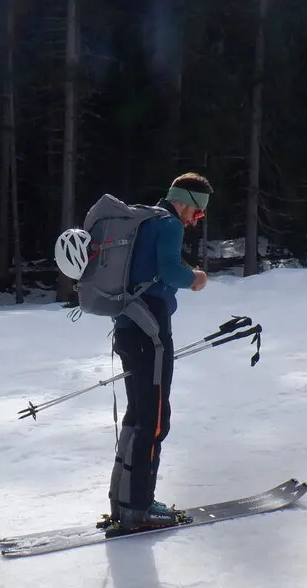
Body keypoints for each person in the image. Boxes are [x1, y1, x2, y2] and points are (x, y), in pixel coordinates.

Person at [107, 172, 211, 532]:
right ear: (184, 201)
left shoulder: (145, 220)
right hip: (150, 330)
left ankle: (123, 502)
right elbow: (170, 271)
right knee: (154, 419)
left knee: (138, 414)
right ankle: (140, 508)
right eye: (197, 212)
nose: (195, 221)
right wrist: (195, 277)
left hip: (127, 326)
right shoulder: (169, 224)